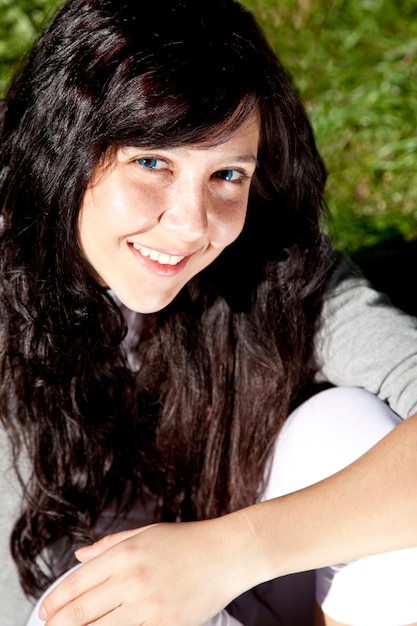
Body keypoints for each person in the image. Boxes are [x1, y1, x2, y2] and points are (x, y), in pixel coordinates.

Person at [1, 0, 417, 624]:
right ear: (63, 148)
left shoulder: (268, 263)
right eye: (151, 162)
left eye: (226, 173)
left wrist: (229, 554)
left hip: (245, 589)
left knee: (349, 428)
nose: (193, 224)